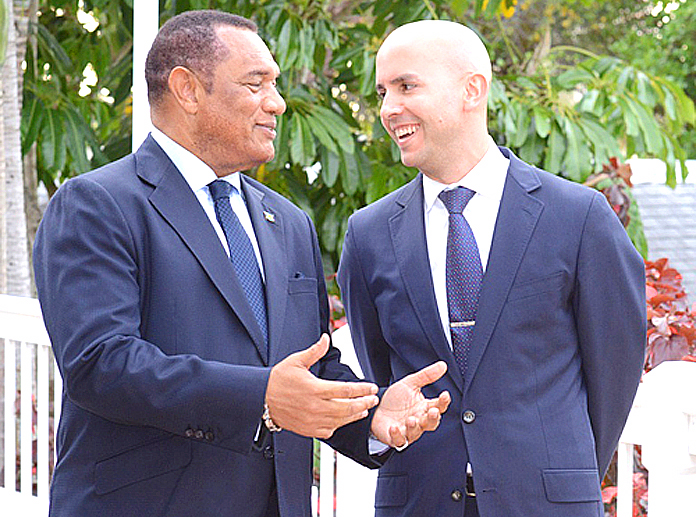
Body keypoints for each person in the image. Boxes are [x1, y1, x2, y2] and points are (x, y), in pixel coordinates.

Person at [33, 11, 451, 517]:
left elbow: (307, 366)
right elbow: (100, 364)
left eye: (274, 86)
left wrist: (371, 415)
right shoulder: (97, 204)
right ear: (187, 89)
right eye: (256, 84)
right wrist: (262, 398)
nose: (276, 103)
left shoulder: (289, 221)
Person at [337, 20, 646, 517]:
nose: (388, 108)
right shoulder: (369, 234)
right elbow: (383, 375)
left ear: (471, 90)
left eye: (407, 85)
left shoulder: (579, 217)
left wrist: (558, 473)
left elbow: (615, 370)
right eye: (382, 91)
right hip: (418, 503)